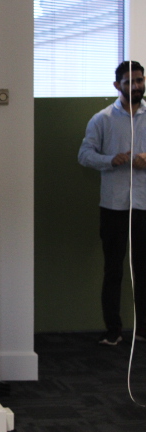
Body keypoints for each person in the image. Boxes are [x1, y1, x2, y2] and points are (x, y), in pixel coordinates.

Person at [78, 60, 146, 346]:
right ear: (118, 85)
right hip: (114, 206)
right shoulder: (102, 119)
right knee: (114, 270)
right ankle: (113, 330)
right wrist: (111, 160)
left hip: (144, 204)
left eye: (140, 80)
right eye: (130, 82)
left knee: (144, 270)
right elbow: (84, 155)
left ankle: (143, 329)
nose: (136, 86)